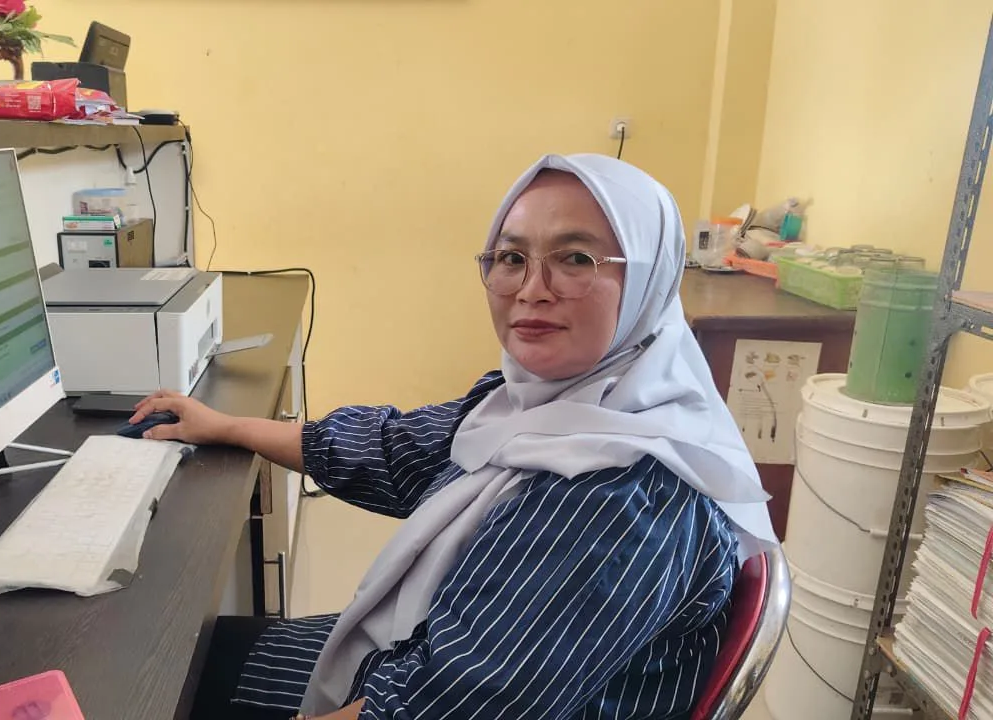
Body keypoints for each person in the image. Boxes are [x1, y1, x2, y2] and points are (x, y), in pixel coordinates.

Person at [131, 154, 778, 720]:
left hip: (437, 692)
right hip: (423, 662)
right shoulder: (538, 404)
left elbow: (441, 707)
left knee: (155, 678)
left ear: (648, 279)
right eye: (511, 258)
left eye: (575, 259)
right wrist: (226, 425)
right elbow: (395, 451)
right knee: (185, 654)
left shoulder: (621, 499)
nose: (531, 290)